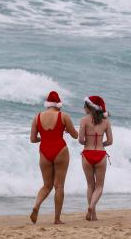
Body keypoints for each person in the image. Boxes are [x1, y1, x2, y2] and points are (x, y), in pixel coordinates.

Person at [29, 91, 78, 224]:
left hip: (44, 151)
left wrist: (45, 137)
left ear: (48, 104)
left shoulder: (37, 117)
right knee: (59, 186)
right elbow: (75, 135)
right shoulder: (64, 116)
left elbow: (33, 139)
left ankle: (36, 205)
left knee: (46, 185)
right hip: (60, 150)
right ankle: (57, 219)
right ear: (58, 104)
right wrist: (66, 130)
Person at [79, 95, 113, 221]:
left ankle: (91, 209)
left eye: (85, 106)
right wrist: (100, 144)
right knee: (99, 187)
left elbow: (80, 140)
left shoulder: (84, 120)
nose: (83, 108)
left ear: (89, 107)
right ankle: (93, 210)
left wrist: (87, 142)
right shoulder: (106, 122)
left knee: (90, 185)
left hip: (87, 154)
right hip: (100, 155)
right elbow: (110, 141)